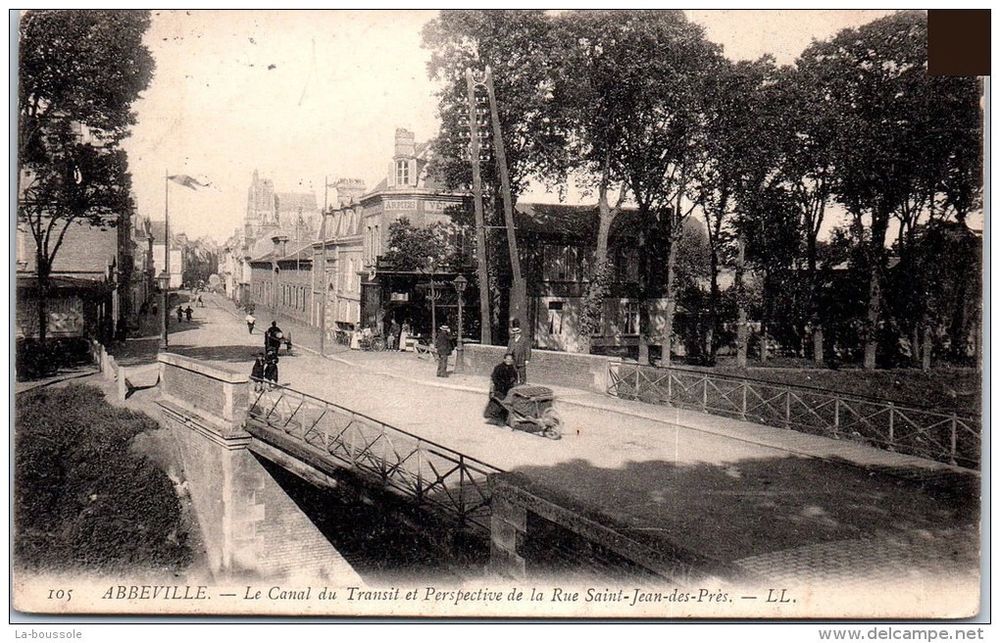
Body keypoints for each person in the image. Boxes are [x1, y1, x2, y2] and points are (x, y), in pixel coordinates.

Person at [484, 353, 519, 426]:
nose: (509, 361)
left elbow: (515, 380)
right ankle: (496, 419)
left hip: (508, 389)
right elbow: (493, 379)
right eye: (507, 359)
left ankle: (504, 418)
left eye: (510, 359)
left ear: (512, 361)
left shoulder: (513, 370)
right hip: (499, 389)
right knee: (501, 402)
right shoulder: (498, 368)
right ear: (504, 359)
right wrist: (492, 389)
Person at [507, 319, 531, 384]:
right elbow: (508, 350)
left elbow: (527, 349)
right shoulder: (511, 340)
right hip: (513, 360)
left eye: (517, 332)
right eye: (514, 332)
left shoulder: (524, 340)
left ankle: (522, 385)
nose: (515, 334)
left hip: (521, 359)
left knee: (522, 374)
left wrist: (527, 359)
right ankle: (514, 386)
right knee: (513, 375)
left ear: (519, 332)